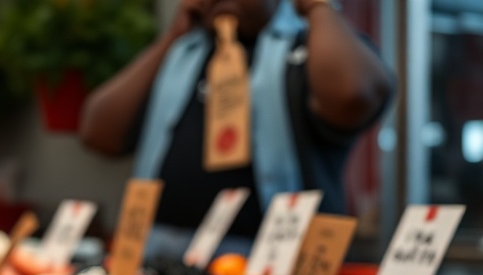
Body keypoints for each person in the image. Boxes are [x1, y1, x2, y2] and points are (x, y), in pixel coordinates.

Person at [80, 0, 393, 259]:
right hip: (161, 257)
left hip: (274, 262)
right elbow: (98, 132)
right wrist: (173, 37)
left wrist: (317, 7)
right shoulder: (186, 53)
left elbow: (354, 95)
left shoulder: (308, 46)